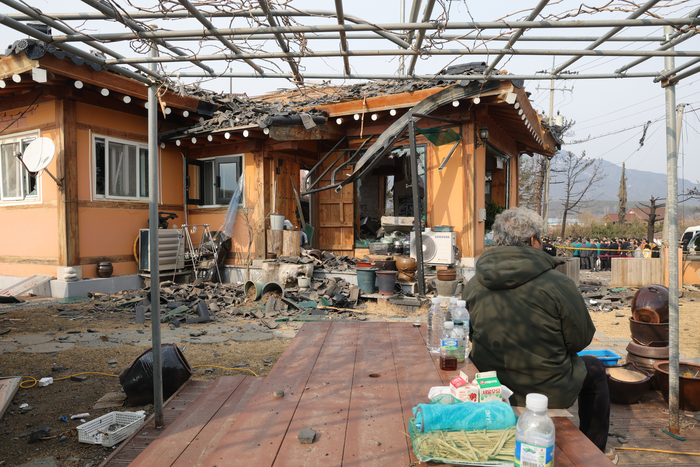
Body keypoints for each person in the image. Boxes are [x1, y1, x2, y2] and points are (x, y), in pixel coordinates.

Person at [462, 207, 610, 454]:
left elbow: (468, 333)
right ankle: (593, 453)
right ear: (533, 241)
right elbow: (580, 341)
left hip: (491, 387)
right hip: (546, 390)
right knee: (595, 369)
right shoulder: (559, 283)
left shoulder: (475, 283)